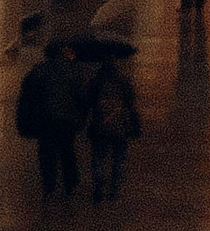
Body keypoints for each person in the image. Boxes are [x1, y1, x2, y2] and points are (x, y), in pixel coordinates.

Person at [14, 39, 90, 198]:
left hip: (46, 119)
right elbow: (82, 97)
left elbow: (27, 97)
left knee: (46, 151)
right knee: (67, 149)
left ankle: (49, 183)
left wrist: (25, 119)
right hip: (68, 119)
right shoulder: (74, 70)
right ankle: (70, 181)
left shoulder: (39, 71)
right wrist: (82, 117)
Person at [85, 51, 142, 202]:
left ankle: (99, 184)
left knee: (98, 156)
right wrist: (135, 125)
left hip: (100, 125)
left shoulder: (96, 80)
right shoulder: (124, 80)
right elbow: (131, 104)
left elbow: (88, 102)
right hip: (120, 125)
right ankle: (114, 189)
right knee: (119, 158)